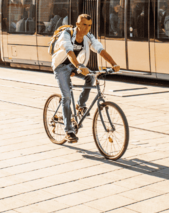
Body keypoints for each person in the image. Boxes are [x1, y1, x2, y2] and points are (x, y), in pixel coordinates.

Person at [51, 14, 120, 143]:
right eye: (84, 25)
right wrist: (78, 66)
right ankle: (68, 131)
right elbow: (69, 51)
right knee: (66, 97)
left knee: (91, 77)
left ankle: (81, 104)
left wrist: (113, 64)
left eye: (89, 26)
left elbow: (100, 49)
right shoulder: (67, 34)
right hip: (61, 67)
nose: (87, 28)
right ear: (77, 24)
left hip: (75, 65)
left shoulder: (88, 36)